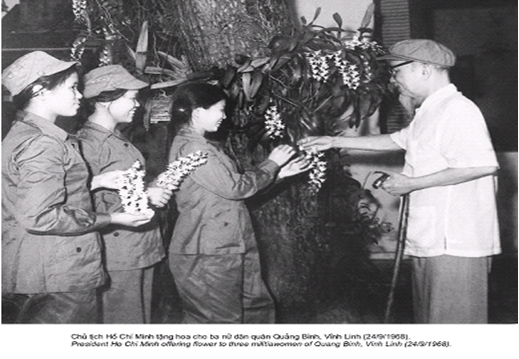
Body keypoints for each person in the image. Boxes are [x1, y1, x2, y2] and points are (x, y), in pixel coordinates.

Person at [299, 39, 501, 324]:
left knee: (455, 328)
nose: (394, 81)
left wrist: (412, 184)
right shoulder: (431, 111)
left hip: (455, 243)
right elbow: (397, 139)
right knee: (433, 323)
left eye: (397, 71)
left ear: (424, 69)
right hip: (433, 239)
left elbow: (481, 165)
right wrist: (332, 140)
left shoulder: (458, 110)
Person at [1, 52, 152, 324]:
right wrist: (113, 218)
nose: (80, 96)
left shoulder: (24, 133)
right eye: (72, 87)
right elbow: (39, 215)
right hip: (59, 272)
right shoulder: (44, 143)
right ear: (40, 91)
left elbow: (25, 192)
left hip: (37, 267)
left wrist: (95, 182)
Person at [167, 82, 310, 323]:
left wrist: (280, 175)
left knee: (256, 311)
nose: (224, 116)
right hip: (208, 251)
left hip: (230, 245)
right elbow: (234, 188)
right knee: (220, 322)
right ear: (199, 112)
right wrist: (271, 164)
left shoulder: (206, 146)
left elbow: (233, 195)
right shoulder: (191, 147)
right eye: (220, 109)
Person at [77, 65, 172, 323]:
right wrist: (146, 196)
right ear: (106, 100)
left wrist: (150, 188)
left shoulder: (116, 137)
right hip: (117, 254)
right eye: (131, 98)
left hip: (138, 249)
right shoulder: (88, 144)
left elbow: (121, 186)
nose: (138, 105)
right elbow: (80, 201)